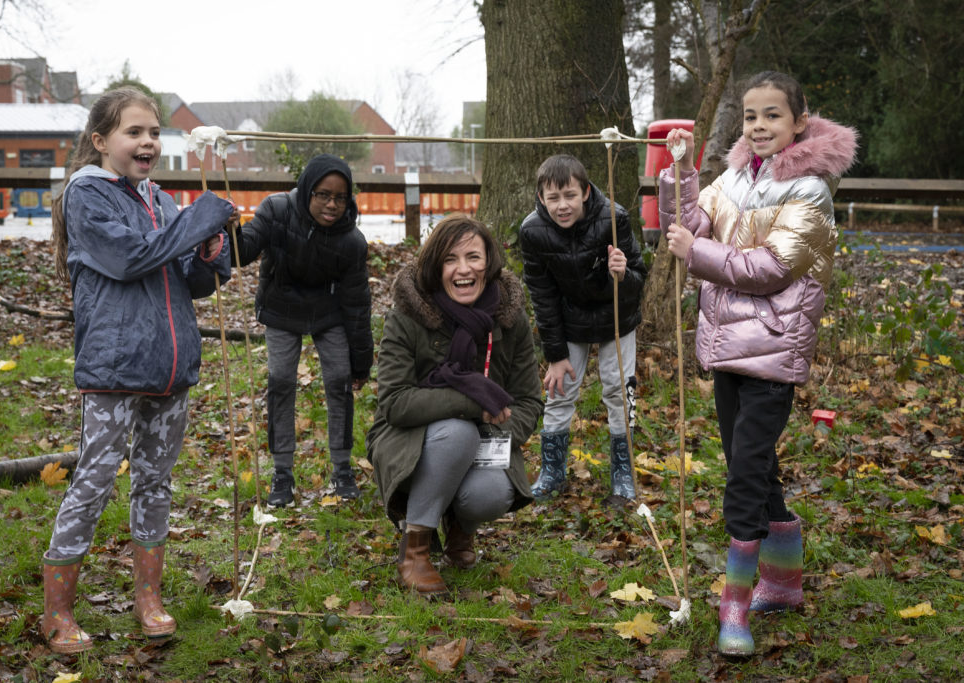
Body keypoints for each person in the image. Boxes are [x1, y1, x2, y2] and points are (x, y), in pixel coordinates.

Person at [660, 71, 857, 656]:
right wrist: (683, 175)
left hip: (772, 352)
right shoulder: (735, 174)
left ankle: (735, 608)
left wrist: (695, 253)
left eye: (772, 116)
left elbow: (772, 268)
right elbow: (693, 223)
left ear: (799, 121)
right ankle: (785, 584)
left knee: (744, 475)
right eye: (750, 116)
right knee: (754, 465)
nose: (760, 126)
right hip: (727, 351)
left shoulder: (810, 190)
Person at [44, 88, 236, 653]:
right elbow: (130, 259)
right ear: (101, 142)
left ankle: (149, 599)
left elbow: (195, 283)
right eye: (134, 132)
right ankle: (57, 611)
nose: (147, 141)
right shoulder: (87, 197)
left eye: (154, 131)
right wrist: (196, 221)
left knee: (155, 482)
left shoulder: (163, 200)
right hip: (114, 367)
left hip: (170, 368)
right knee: (94, 481)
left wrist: (207, 254)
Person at [366, 214, 543, 594]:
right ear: (435, 267)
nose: (463, 270)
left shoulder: (510, 318)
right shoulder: (408, 315)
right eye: (450, 259)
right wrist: (472, 404)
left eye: (473, 257)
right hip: (409, 438)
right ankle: (414, 550)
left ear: (489, 263)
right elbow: (394, 403)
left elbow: (529, 399)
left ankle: (460, 527)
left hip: (485, 436)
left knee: (492, 493)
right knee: (458, 433)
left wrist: (499, 430)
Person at [230, 154, 373, 508]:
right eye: (323, 194)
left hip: (329, 312)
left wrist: (360, 363)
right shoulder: (276, 211)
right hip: (281, 306)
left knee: (339, 380)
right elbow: (242, 251)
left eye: (341, 198)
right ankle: (283, 473)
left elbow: (357, 306)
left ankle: (342, 469)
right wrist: (231, 229)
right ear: (308, 190)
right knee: (281, 379)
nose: (332, 204)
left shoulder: (351, 242)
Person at [519, 154, 647, 502]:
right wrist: (556, 355)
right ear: (541, 198)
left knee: (619, 390)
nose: (562, 206)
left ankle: (624, 471)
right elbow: (542, 297)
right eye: (553, 198)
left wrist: (621, 274)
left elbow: (638, 278)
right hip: (568, 320)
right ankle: (552, 471)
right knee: (559, 390)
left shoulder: (614, 218)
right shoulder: (533, 232)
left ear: (586, 192)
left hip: (616, 317)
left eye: (570, 195)